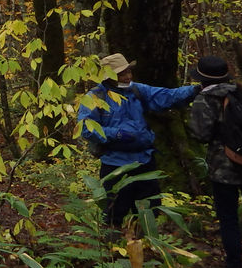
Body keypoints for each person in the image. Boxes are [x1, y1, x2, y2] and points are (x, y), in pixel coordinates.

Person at [78, 52, 198, 229]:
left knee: (150, 209)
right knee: (114, 212)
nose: (128, 76)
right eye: (122, 74)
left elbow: (166, 96)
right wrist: (116, 134)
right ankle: (112, 249)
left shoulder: (137, 90)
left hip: (144, 160)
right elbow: (86, 128)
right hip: (115, 165)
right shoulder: (95, 97)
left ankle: (145, 244)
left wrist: (195, 89)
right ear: (108, 76)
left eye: (128, 72)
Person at [187, 55, 242, 268]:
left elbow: (200, 135)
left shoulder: (205, 99)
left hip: (223, 168)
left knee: (228, 218)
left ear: (202, 79)